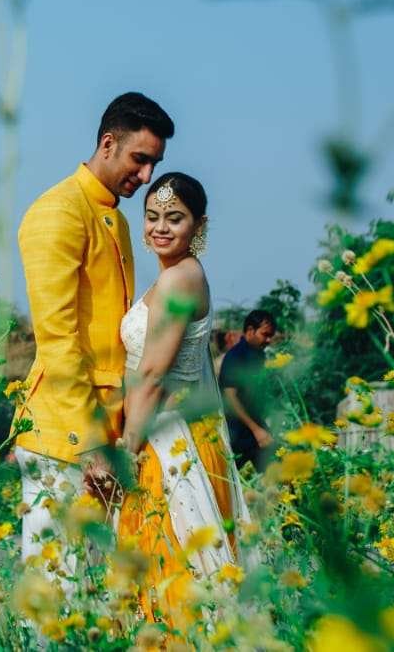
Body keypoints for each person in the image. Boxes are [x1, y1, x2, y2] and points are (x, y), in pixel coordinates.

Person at [12, 92, 174, 591]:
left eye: (154, 163)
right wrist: (93, 444)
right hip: (66, 435)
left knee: (93, 596)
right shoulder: (58, 211)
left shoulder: (117, 219)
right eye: (139, 159)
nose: (146, 176)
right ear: (108, 144)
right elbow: (58, 340)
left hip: (108, 431)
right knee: (54, 591)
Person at [116, 172, 254, 628]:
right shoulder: (175, 276)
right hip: (169, 432)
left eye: (174, 218)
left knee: (172, 573)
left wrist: (126, 449)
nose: (160, 227)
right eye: (152, 216)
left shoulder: (180, 279)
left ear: (199, 225)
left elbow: (152, 373)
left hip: (167, 440)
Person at [218, 309, 278, 471]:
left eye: (271, 336)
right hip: (236, 431)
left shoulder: (259, 356)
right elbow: (230, 397)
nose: (269, 340)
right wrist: (256, 429)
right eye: (265, 334)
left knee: (275, 474)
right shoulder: (236, 357)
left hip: (254, 427)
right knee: (231, 476)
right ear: (250, 330)